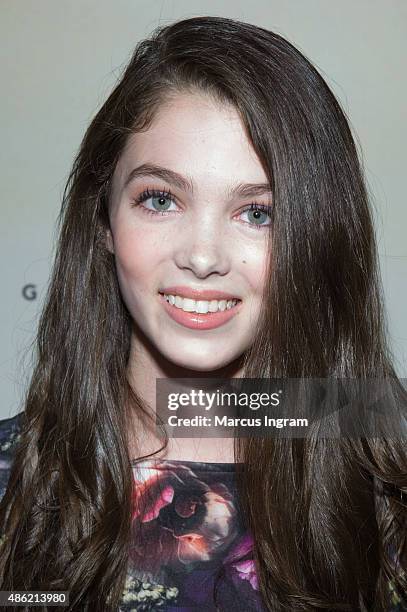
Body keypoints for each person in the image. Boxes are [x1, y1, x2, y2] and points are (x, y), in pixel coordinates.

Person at [0, 15, 406, 612]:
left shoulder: (388, 478)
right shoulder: (12, 487)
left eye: (258, 213)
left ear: (317, 239)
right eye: (160, 199)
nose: (202, 257)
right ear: (104, 220)